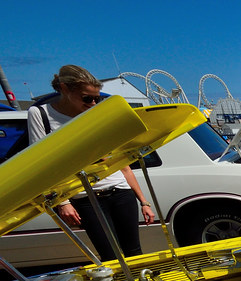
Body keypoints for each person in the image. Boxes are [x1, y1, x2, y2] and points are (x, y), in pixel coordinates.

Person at [27, 64, 155, 261]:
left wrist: (144, 201)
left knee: (134, 253)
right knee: (110, 257)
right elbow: (41, 164)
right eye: (87, 98)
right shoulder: (41, 114)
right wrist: (64, 203)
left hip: (120, 191)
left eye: (97, 98)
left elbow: (121, 163)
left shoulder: (97, 113)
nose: (93, 103)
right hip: (84, 198)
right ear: (65, 88)